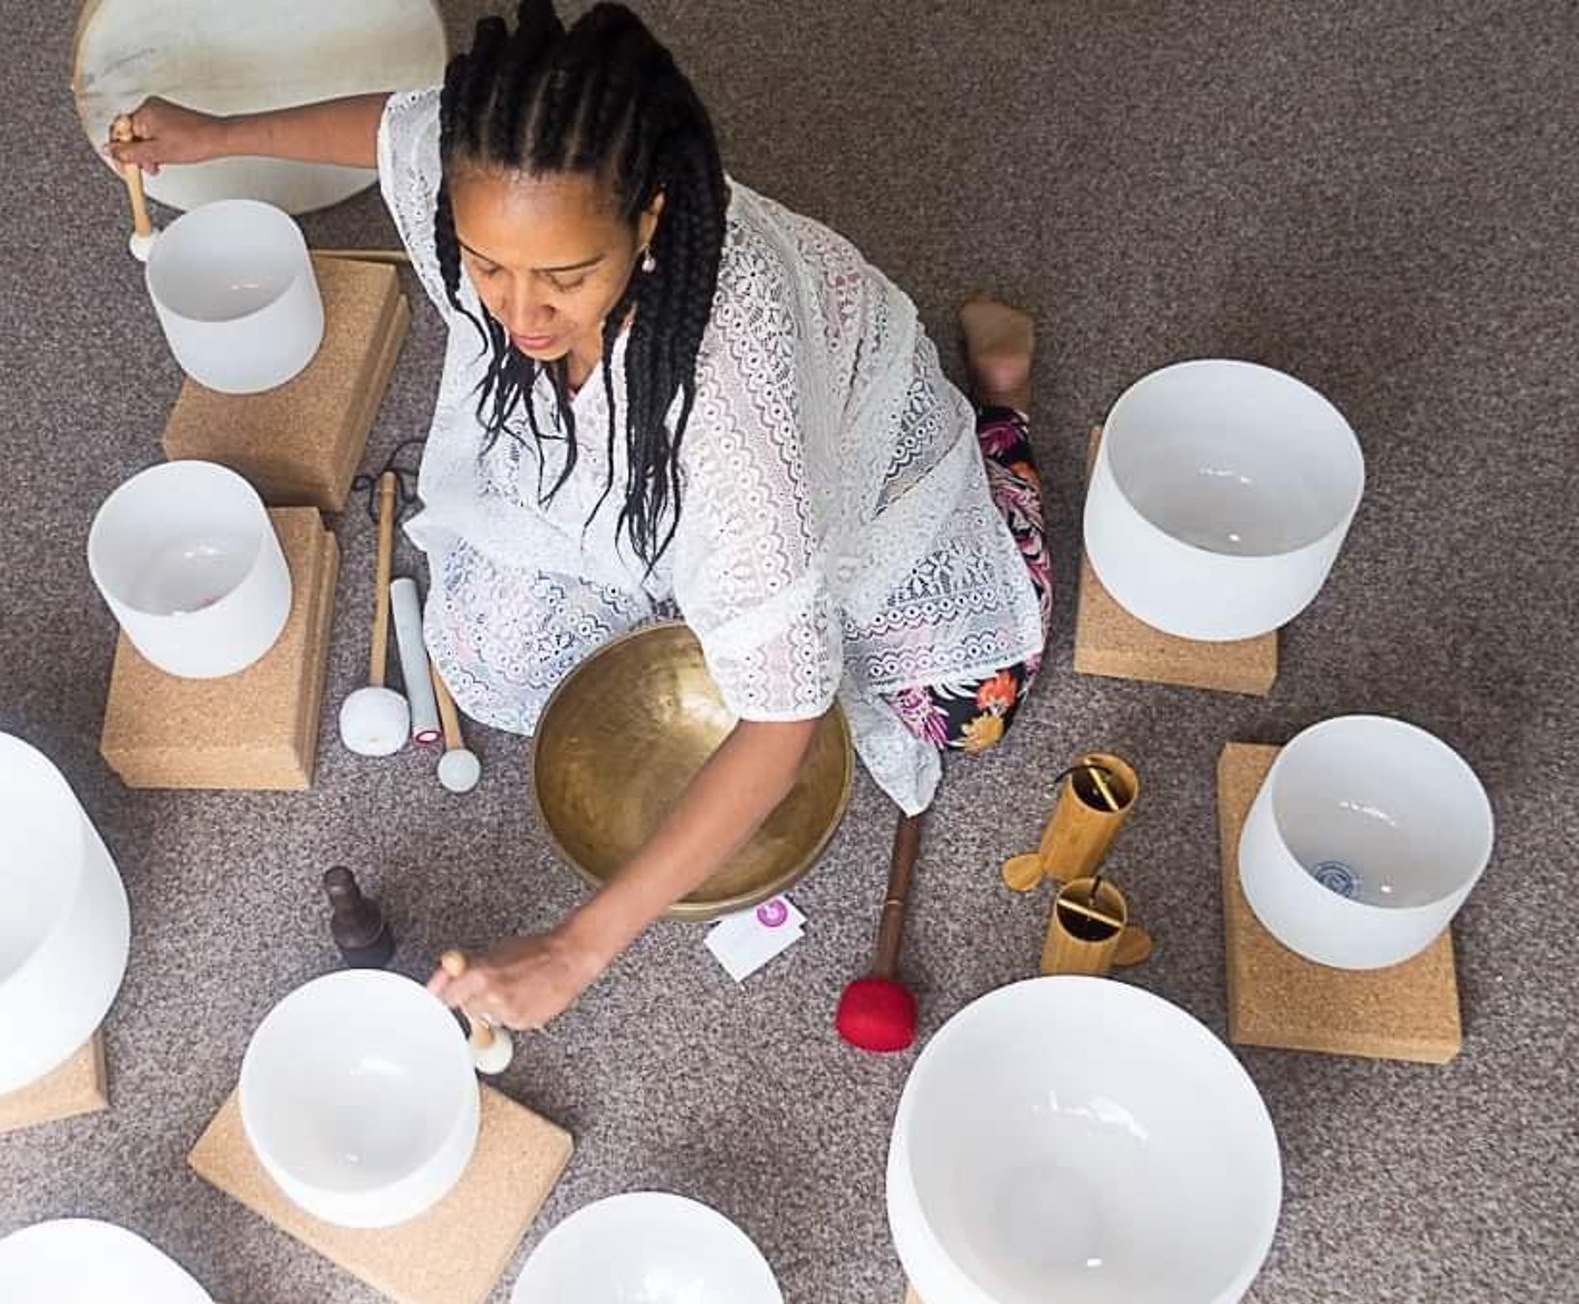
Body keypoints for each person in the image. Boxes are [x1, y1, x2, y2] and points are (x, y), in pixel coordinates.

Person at [113, 0, 1051, 1031]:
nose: (518, 314)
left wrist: (573, 950)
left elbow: (783, 722)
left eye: (565, 276)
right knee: (489, 661)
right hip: (679, 477)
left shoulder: (733, 415)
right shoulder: (484, 170)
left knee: (972, 712)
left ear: (650, 219)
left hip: (851, 460)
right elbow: (398, 131)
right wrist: (215, 136)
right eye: (488, 264)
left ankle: (999, 418)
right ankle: (724, 581)